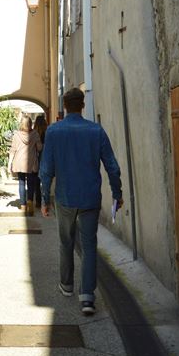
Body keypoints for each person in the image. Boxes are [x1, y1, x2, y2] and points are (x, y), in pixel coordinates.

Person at [39, 87, 123, 316]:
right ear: (82, 105)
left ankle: (66, 285)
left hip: (65, 198)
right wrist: (117, 193)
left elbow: (46, 170)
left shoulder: (54, 132)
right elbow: (112, 167)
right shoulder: (96, 131)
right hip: (89, 198)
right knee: (88, 246)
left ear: (65, 107)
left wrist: (45, 198)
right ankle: (87, 296)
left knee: (65, 242)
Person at [9, 117, 42, 215]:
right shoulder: (35, 134)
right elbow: (39, 148)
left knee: (21, 183)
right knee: (31, 184)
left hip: (19, 163)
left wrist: (9, 163)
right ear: (30, 123)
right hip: (31, 162)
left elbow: (13, 150)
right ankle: (30, 203)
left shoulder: (16, 135)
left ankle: (23, 205)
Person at [33, 115, 48, 208]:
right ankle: (45, 201)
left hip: (36, 158)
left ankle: (38, 201)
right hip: (45, 158)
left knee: (36, 181)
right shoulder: (47, 133)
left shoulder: (34, 133)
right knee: (45, 181)